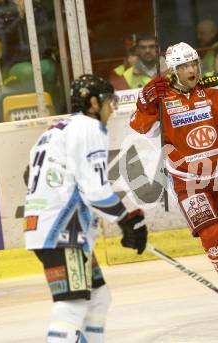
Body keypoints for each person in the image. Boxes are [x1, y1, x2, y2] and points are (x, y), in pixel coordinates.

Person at [129, 42, 218, 309]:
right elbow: (139, 127)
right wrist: (145, 102)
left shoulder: (214, 88)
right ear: (172, 71)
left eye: (193, 63)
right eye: (184, 66)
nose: (191, 70)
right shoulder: (161, 97)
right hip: (187, 179)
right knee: (212, 232)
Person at [24, 74, 148, 342]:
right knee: (72, 304)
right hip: (61, 231)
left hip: (48, 227)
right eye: (108, 101)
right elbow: (95, 191)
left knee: (99, 296)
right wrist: (127, 220)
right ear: (93, 102)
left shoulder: (56, 130)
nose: (111, 108)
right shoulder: (89, 128)